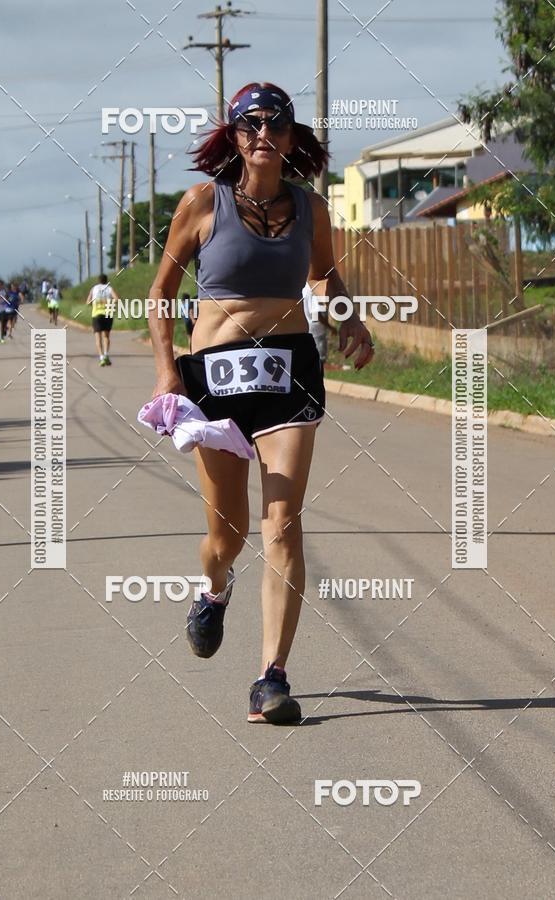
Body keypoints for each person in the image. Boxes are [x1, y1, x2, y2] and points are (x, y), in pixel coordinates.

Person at [147, 81, 374, 724]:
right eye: (250, 125)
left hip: (288, 377)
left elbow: (323, 276)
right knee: (230, 534)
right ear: (235, 137)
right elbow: (162, 293)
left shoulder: (310, 209)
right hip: (213, 381)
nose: (263, 134)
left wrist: (351, 321)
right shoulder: (202, 204)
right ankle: (214, 590)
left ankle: (271, 676)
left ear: (292, 136)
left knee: (283, 524)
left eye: (276, 124)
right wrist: (167, 372)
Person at [86, 274, 118, 366]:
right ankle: (106, 355)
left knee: (98, 337)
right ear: (106, 280)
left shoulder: (94, 289)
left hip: (96, 314)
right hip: (108, 314)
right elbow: (116, 299)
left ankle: (101, 357)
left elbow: (88, 302)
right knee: (106, 336)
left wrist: (94, 303)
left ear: (98, 280)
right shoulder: (109, 288)